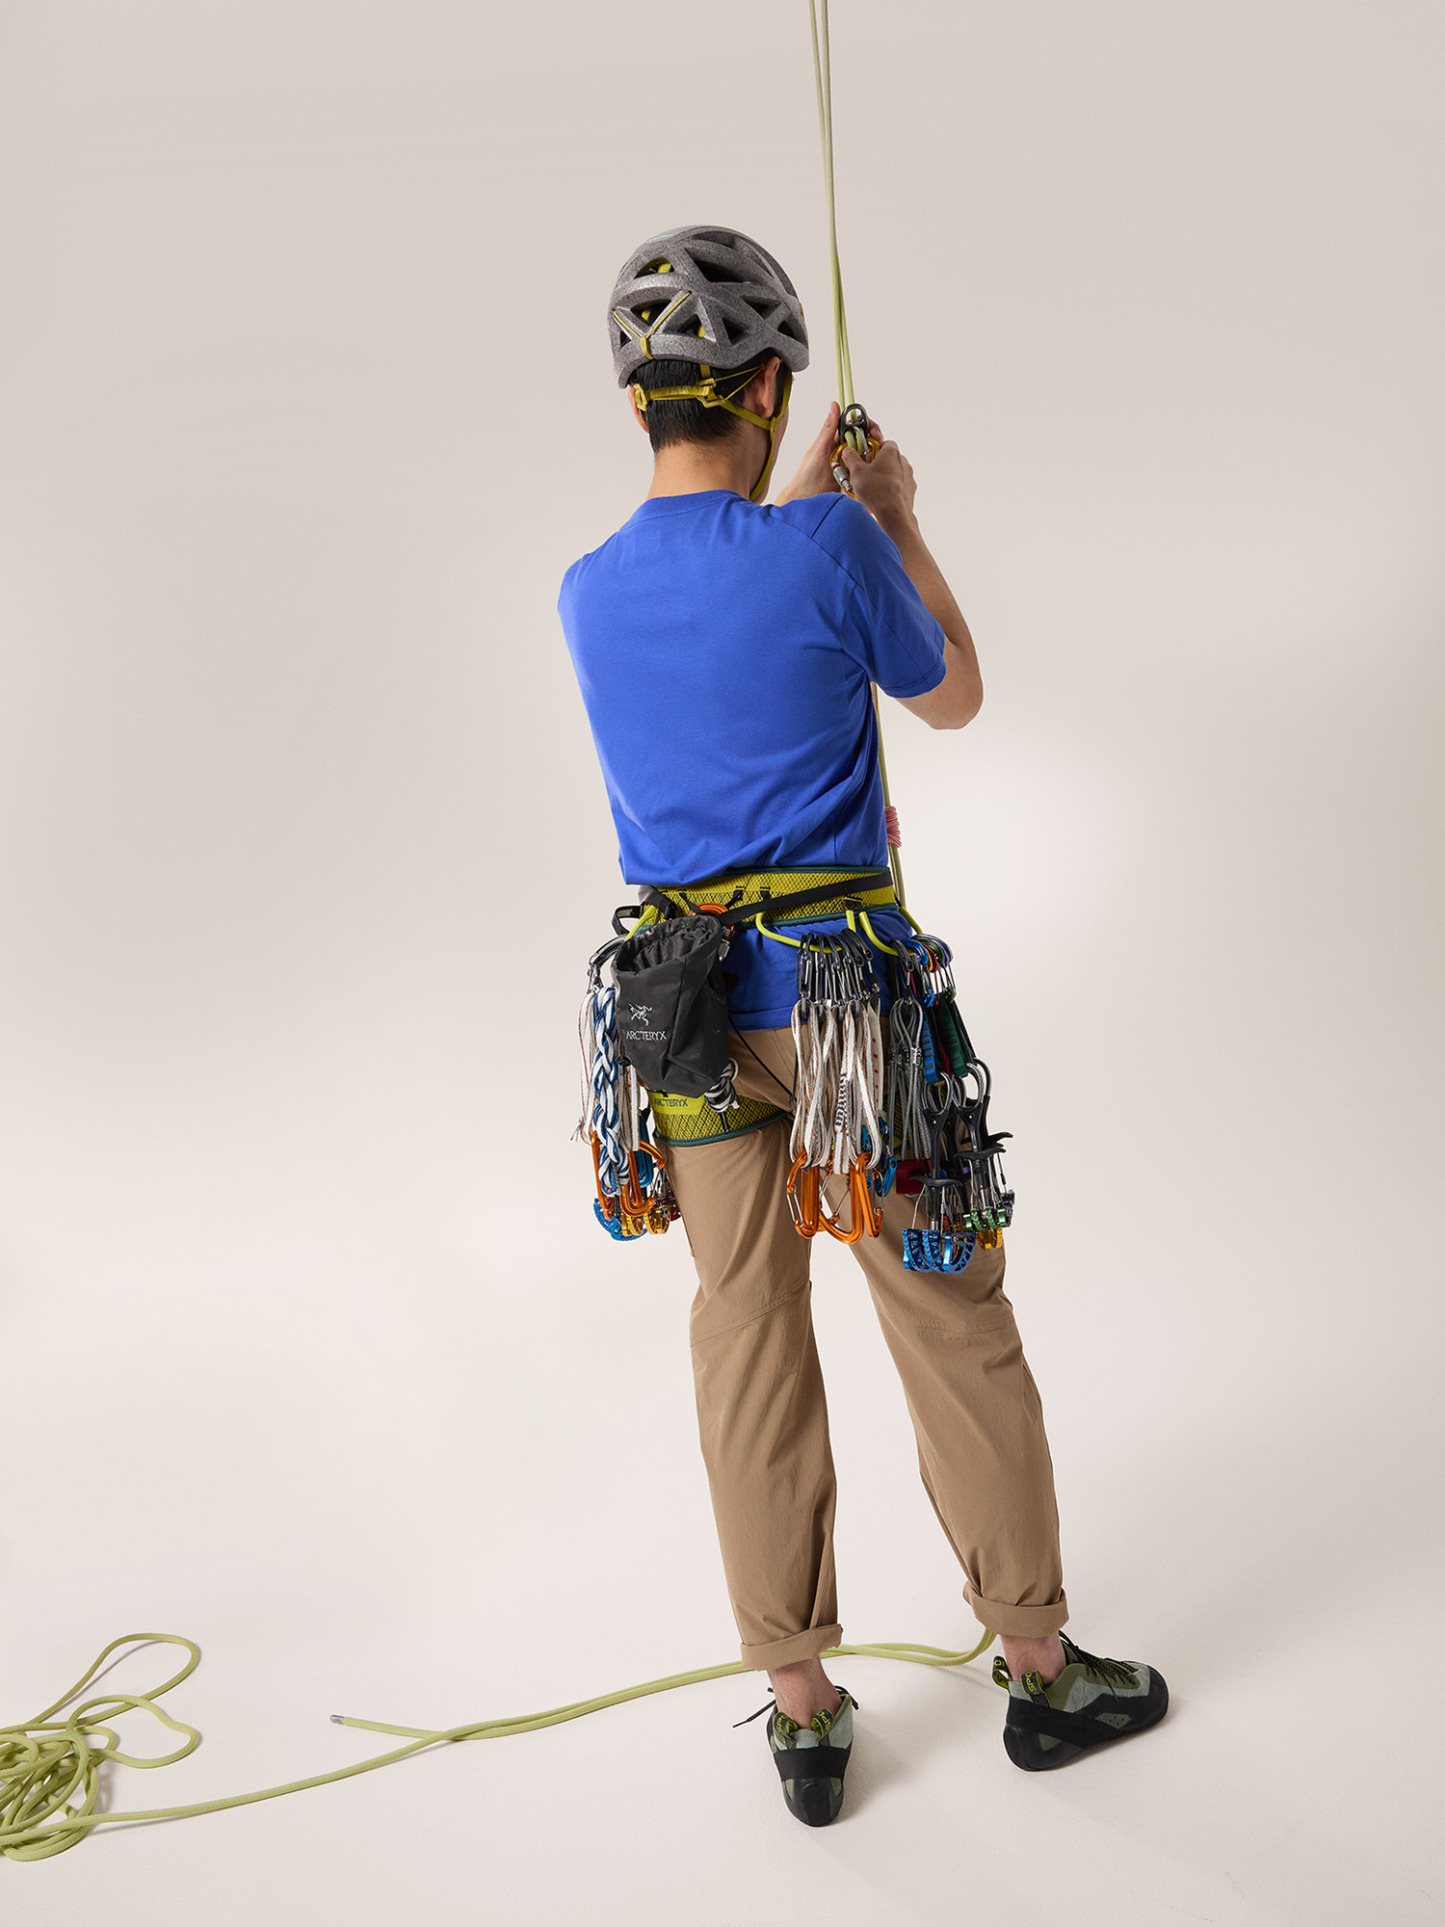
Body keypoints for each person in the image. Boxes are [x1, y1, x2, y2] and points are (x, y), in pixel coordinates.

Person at [559, 225, 1166, 1827]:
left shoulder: (585, 591)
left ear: (636, 400)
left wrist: (818, 511)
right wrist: (891, 513)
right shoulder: (827, 541)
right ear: (767, 387)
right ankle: (1037, 1669)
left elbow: (718, 636)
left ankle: (800, 1706)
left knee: (742, 1331)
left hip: (681, 1019)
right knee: (949, 1319)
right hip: (845, 1020)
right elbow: (949, 691)